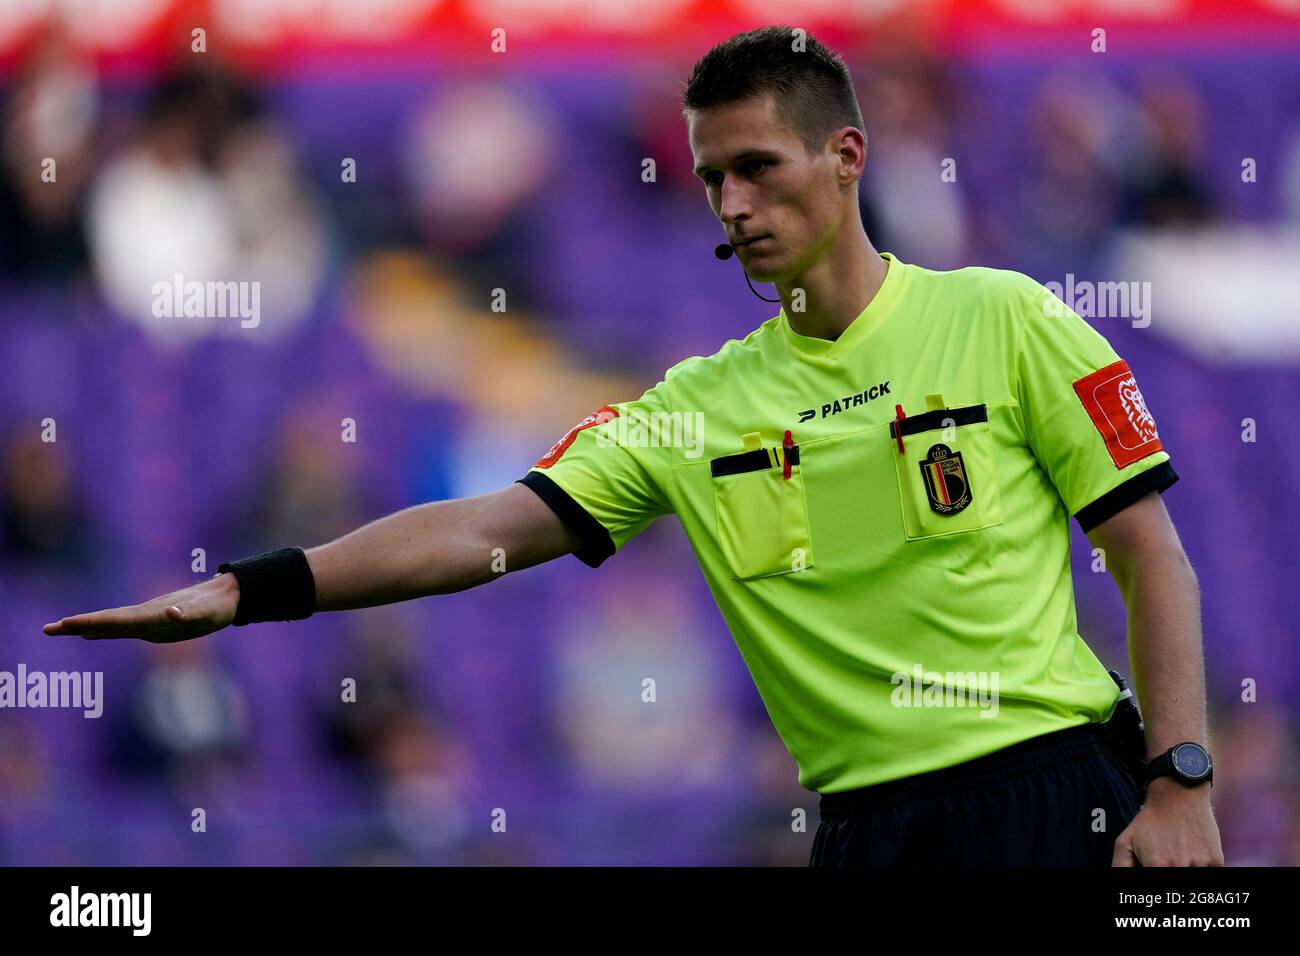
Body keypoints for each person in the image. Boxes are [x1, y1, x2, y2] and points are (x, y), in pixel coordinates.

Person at [44, 26, 1223, 867]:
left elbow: (1147, 551)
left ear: (846, 158)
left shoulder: (1008, 316)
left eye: (759, 166)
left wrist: (1180, 780)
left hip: (1060, 792)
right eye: (713, 177)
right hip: (867, 828)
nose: (734, 204)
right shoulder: (693, 407)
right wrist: (246, 589)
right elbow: (475, 530)